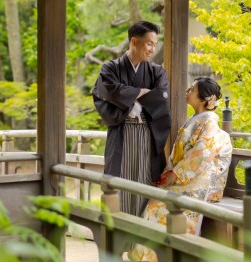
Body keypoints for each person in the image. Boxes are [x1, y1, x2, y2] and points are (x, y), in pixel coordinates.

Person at [130, 76, 233, 262]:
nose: (187, 92)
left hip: (200, 182)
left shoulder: (210, 123)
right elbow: (178, 154)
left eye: (192, 90)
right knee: (154, 203)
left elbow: (201, 154)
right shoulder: (195, 120)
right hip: (186, 178)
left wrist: (177, 173)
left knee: (159, 208)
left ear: (203, 99)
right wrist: (170, 172)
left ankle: (156, 257)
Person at [92, 20, 171, 216]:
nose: (153, 48)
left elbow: (160, 97)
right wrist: (142, 92)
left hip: (147, 134)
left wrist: (128, 95)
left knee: (146, 183)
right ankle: (120, 240)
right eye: (149, 43)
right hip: (122, 133)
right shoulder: (110, 69)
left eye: (155, 44)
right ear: (134, 41)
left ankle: (141, 244)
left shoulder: (156, 71)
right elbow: (108, 92)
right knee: (120, 185)